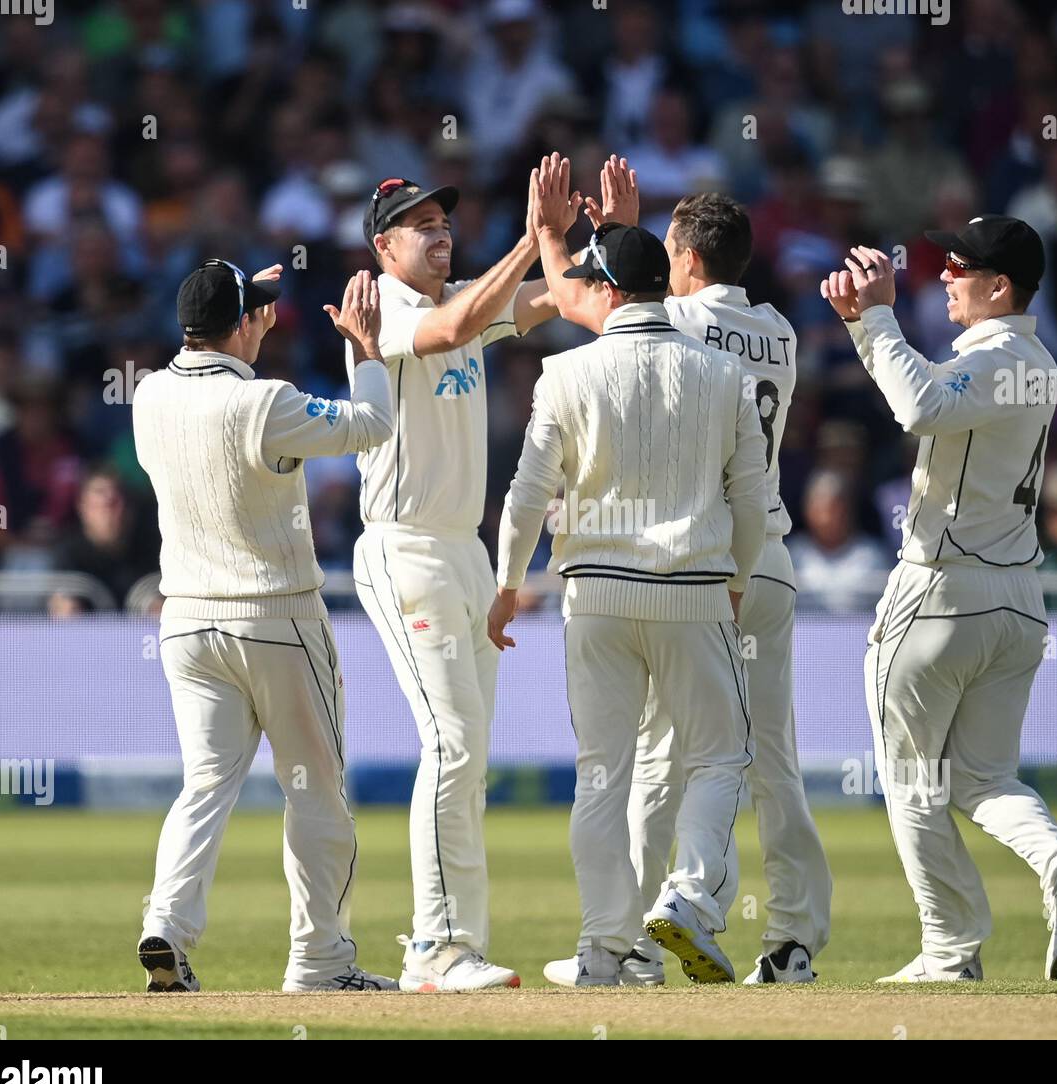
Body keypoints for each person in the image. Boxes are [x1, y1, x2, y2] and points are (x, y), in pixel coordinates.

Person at [538, 189, 834, 987]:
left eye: (669, 253)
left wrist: (573, 232)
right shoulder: (779, 331)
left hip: (698, 566)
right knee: (768, 756)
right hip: (767, 558)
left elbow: (585, 299)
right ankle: (793, 938)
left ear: (689, 262)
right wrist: (626, 233)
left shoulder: (684, 326)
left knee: (662, 760)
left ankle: (644, 935)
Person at [491, 160, 769, 986]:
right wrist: (737, 578)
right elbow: (751, 501)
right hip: (693, 590)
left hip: (597, 598)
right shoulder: (725, 374)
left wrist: (507, 585)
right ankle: (686, 899)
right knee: (718, 761)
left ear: (610, 291)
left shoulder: (563, 372)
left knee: (602, 775)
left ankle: (603, 948)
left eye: (586, 279)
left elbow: (526, 496)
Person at [819, 215, 1057, 982]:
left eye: (959, 265)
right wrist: (862, 327)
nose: (943, 274)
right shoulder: (1033, 358)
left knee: (913, 780)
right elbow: (926, 395)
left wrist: (877, 315)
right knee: (983, 779)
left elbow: (919, 409)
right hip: (1015, 601)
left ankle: (951, 951)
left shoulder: (996, 356)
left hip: (942, 592)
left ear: (1000, 286)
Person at [133, 259, 396, 992]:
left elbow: (221, 342)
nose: (269, 322)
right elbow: (371, 424)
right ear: (242, 323)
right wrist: (368, 351)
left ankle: (166, 924)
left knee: (205, 786)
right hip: (274, 618)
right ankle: (320, 961)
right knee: (315, 791)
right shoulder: (266, 402)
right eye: (260, 313)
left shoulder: (148, 394)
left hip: (186, 624)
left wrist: (241, 297)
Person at [348, 170, 564, 991]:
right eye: (419, 225)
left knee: (469, 755)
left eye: (443, 221)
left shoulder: (466, 295)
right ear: (384, 247)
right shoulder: (383, 309)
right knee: (453, 742)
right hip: (404, 550)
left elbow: (551, 299)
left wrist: (600, 245)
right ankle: (433, 947)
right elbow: (455, 327)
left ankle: (459, 943)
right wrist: (530, 234)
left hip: (464, 553)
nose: (438, 234)